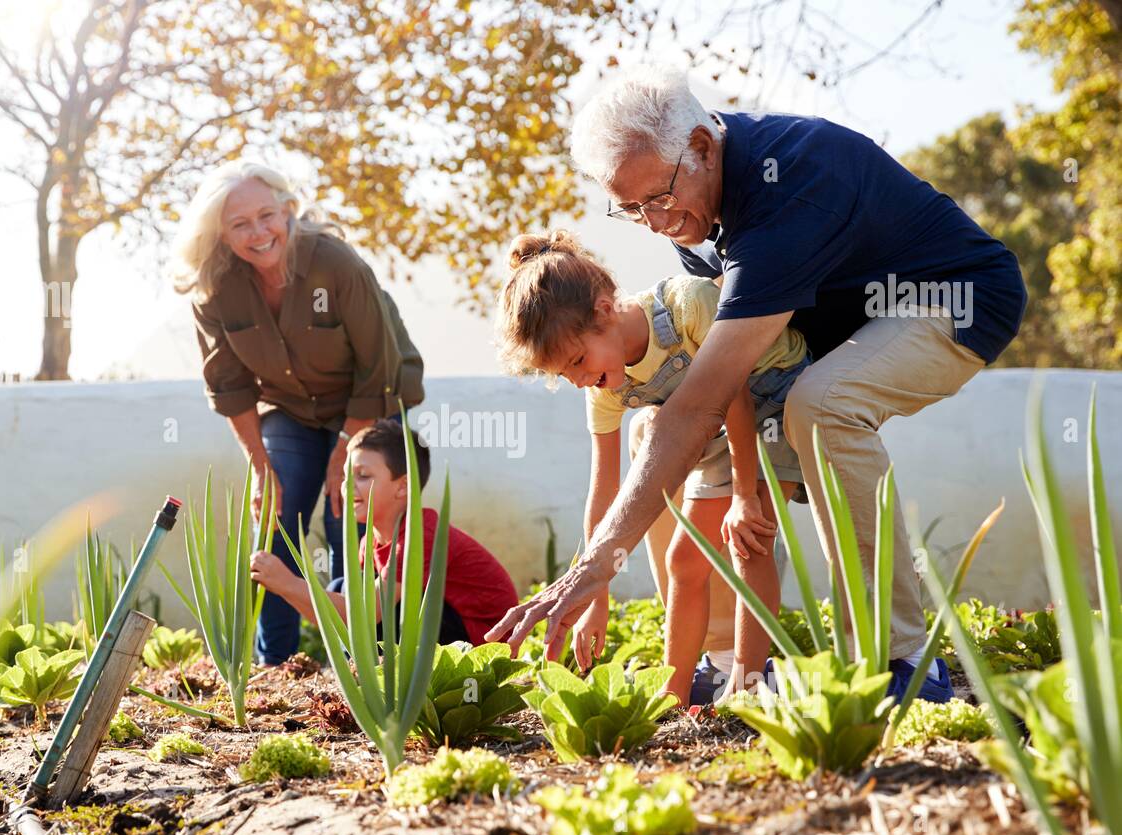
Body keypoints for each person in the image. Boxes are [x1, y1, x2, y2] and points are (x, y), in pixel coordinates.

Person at [488, 65, 1027, 705]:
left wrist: (597, 563)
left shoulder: (790, 187)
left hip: (958, 298)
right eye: (630, 210)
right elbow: (699, 400)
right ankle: (723, 659)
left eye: (657, 199)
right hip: (841, 330)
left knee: (823, 403)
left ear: (702, 146)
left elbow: (701, 402)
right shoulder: (695, 222)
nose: (654, 224)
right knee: (651, 428)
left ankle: (899, 656)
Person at [496, 229, 810, 703]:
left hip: (773, 401)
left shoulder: (687, 306)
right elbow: (602, 493)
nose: (582, 380)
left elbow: (737, 399)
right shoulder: (604, 388)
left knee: (750, 543)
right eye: (567, 375)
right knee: (683, 561)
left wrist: (744, 497)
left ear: (605, 310)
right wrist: (593, 599)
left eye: (579, 360)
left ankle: (745, 687)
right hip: (714, 425)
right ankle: (673, 695)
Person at [172, 160, 425, 665]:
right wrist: (260, 467)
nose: (259, 233)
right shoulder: (214, 286)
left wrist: (341, 460)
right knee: (274, 516)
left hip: (369, 402)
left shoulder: (337, 265)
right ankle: (277, 666)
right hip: (288, 410)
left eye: (267, 216)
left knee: (347, 518)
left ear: (288, 210)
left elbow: (379, 369)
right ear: (219, 234)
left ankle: (356, 663)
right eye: (239, 224)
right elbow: (230, 386)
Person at [250, 419, 520, 648]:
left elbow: (362, 616)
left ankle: (389, 682)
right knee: (341, 588)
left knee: (381, 608)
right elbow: (343, 619)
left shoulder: (420, 535)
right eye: (346, 476)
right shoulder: (371, 544)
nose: (348, 486)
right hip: (446, 632)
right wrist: (286, 588)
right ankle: (366, 679)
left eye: (363, 476)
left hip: (480, 646)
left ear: (403, 487)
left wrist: (288, 583)